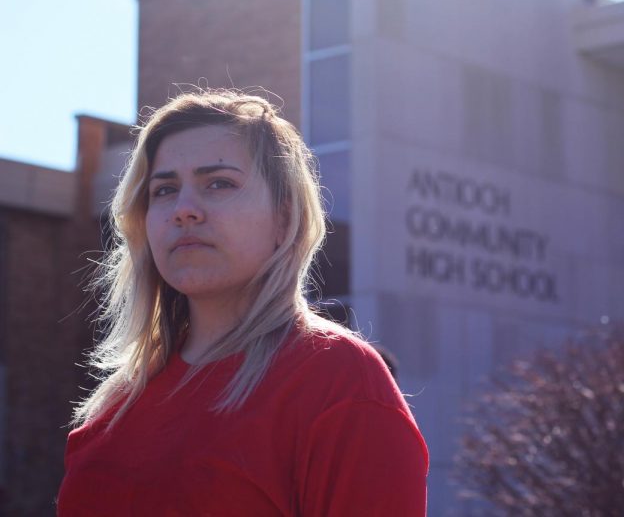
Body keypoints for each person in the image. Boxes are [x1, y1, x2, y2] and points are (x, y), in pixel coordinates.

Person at [57, 90, 428, 516]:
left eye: (219, 183)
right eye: (164, 190)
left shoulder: (339, 381)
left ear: (284, 218)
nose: (184, 209)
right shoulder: (118, 400)